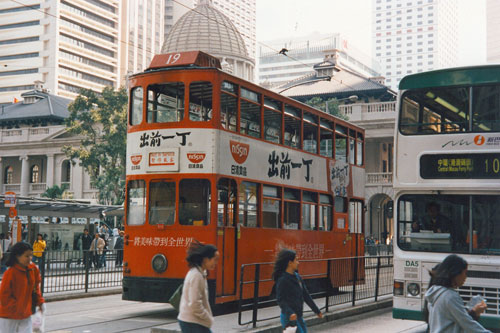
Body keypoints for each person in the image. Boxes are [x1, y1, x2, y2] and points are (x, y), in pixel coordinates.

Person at [424, 254, 491, 333]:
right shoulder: (450, 296)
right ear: (455, 273)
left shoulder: (435, 291)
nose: (465, 277)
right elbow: (468, 324)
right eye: (465, 273)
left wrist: (473, 312)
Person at [273, 248, 322, 333]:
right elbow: (281, 300)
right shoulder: (283, 280)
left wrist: (316, 310)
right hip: (289, 317)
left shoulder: (297, 277)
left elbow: (306, 295)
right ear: (290, 263)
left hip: (298, 316)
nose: (298, 262)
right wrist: (290, 313)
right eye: (296, 260)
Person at [0, 242, 45, 333]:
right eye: (26, 256)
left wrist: (40, 302)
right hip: (9, 316)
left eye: (31, 256)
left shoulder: (33, 269)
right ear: (17, 256)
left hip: (26, 314)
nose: (30, 259)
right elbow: (4, 295)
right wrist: (16, 308)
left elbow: (36, 288)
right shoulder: (10, 273)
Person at [177, 240, 219, 333]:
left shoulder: (200, 272)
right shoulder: (197, 275)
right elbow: (195, 303)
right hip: (192, 321)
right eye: (214, 259)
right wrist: (207, 318)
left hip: (192, 320)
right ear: (205, 259)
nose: (216, 263)